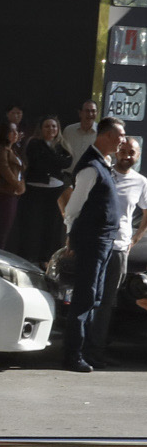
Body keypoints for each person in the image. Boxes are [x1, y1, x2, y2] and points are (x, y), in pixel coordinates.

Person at [58, 118, 128, 372]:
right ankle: (72, 355)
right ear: (106, 136)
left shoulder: (103, 164)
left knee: (95, 298)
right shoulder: (90, 167)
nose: (122, 140)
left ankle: (85, 351)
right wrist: (71, 237)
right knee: (84, 297)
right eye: (119, 135)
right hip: (91, 241)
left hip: (104, 240)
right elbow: (73, 208)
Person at [90, 137, 146, 366]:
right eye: (123, 150)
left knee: (107, 303)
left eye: (131, 152)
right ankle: (79, 347)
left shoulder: (141, 182)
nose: (126, 155)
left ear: (138, 156)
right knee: (89, 298)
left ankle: (97, 351)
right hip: (97, 245)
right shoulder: (104, 175)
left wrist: (136, 237)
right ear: (116, 152)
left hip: (120, 249)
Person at [18, 117, 72, 264]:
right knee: (35, 225)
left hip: (55, 192)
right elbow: (39, 163)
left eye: (54, 126)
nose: (51, 129)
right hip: (36, 191)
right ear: (41, 129)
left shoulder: (61, 145)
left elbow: (67, 162)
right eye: (47, 126)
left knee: (52, 226)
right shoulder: (34, 143)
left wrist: (50, 158)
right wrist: (54, 159)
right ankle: (30, 258)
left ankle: (47, 259)